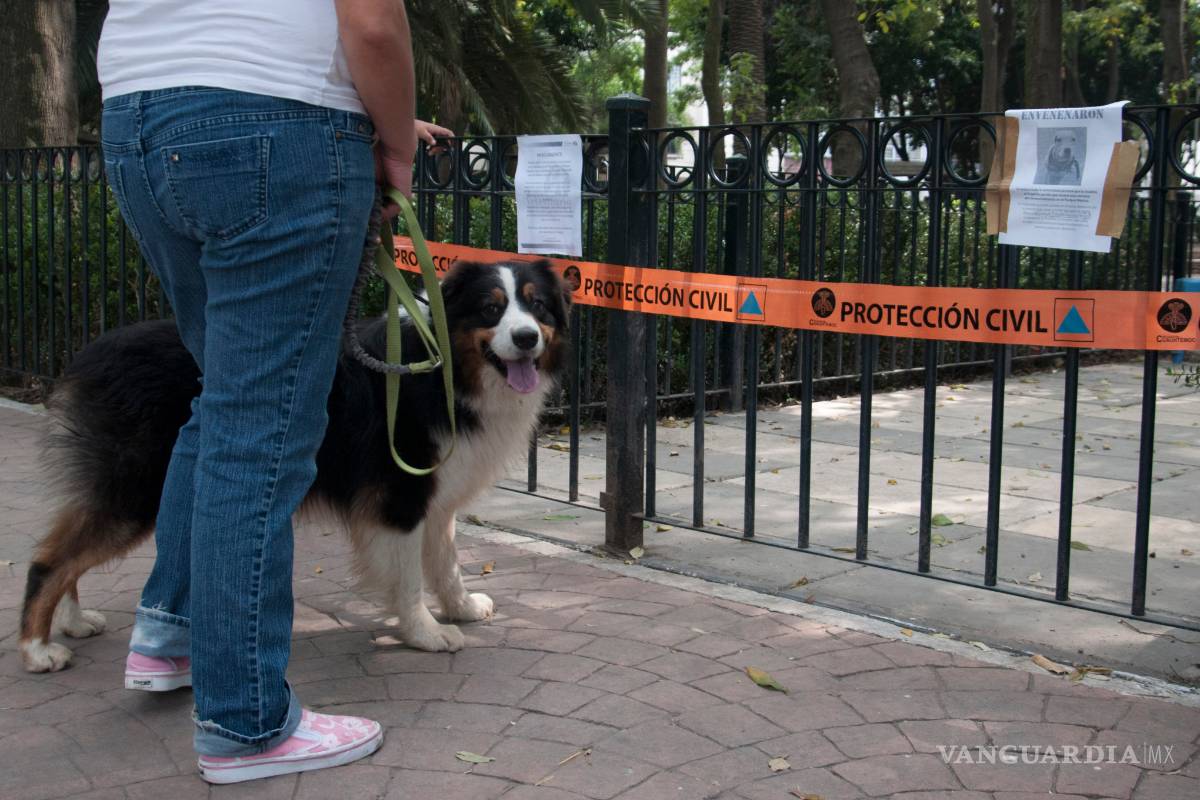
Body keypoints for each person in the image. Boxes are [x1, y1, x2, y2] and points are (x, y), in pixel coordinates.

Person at [97, 0, 449, 784]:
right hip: (276, 127)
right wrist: (395, 147)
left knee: (223, 400)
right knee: (260, 428)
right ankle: (245, 723)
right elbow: (373, 23)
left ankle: (170, 632)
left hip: (137, 120)